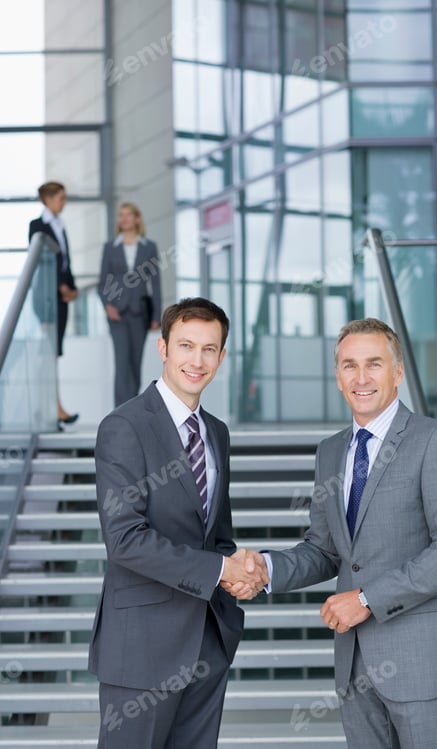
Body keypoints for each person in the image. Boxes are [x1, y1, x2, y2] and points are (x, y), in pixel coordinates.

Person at [228, 318, 437, 749]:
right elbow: (326, 550)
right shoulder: (331, 451)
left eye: (374, 364)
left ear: (397, 371)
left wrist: (366, 600)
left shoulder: (436, 441)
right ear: (338, 376)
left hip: (421, 665)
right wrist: (265, 568)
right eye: (349, 365)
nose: (361, 377)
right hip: (355, 667)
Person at [88, 297, 269, 749]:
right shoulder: (124, 427)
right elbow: (125, 540)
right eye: (186, 345)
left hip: (207, 640)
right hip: (142, 649)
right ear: (163, 347)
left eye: (210, 349)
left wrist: (241, 573)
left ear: (222, 357)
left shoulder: (217, 432)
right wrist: (221, 571)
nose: (197, 360)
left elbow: (217, 535)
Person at [98, 202, 162, 406]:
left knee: (135, 364)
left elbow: (156, 283)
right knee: (122, 363)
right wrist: (108, 305)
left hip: (139, 311)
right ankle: (120, 412)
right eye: (121, 215)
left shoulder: (149, 247)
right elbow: (103, 281)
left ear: (137, 219)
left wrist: (156, 315)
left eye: (128, 215)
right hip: (117, 312)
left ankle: (132, 410)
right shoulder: (110, 247)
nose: (123, 219)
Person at [29, 181, 79, 426]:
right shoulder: (37, 226)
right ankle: (49, 409)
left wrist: (73, 288)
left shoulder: (60, 224)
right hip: (48, 297)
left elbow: (65, 261)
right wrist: (61, 286)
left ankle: (52, 408)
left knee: (53, 353)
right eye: (61, 197)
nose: (64, 202)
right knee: (47, 354)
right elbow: (43, 261)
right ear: (48, 199)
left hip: (60, 297)